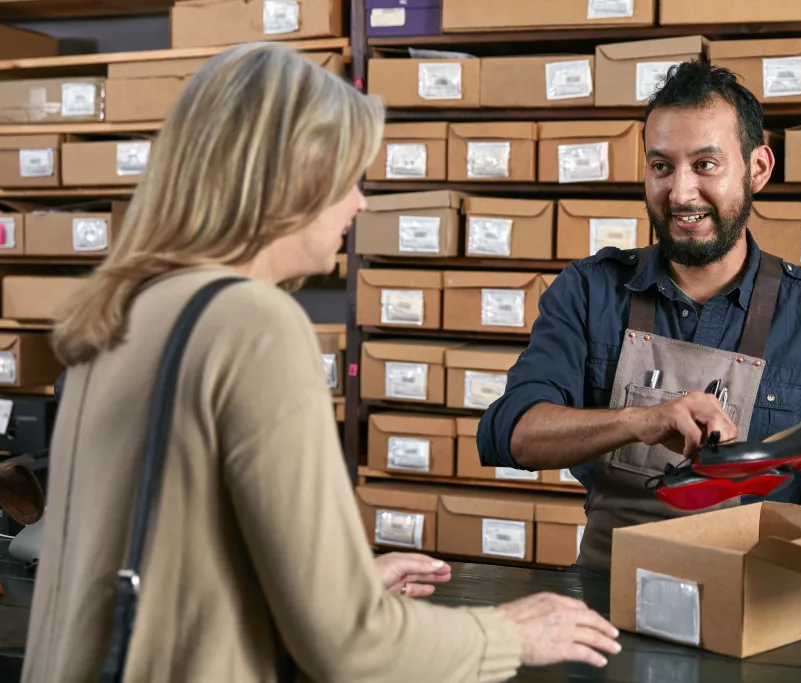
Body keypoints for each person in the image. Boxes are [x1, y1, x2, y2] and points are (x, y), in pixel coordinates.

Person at [21, 43, 620, 683]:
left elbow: (174, 565)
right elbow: (351, 645)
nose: (360, 203)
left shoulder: (125, 311)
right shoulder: (252, 323)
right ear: (294, 175)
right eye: (347, 177)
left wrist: (337, 585)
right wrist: (509, 634)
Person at [477, 60, 801, 573]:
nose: (680, 193)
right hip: (611, 591)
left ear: (758, 169)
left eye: (705, 164)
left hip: (763, 597)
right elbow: (509, 434)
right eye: (661, 167)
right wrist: (639, 420)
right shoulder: (589, 289)